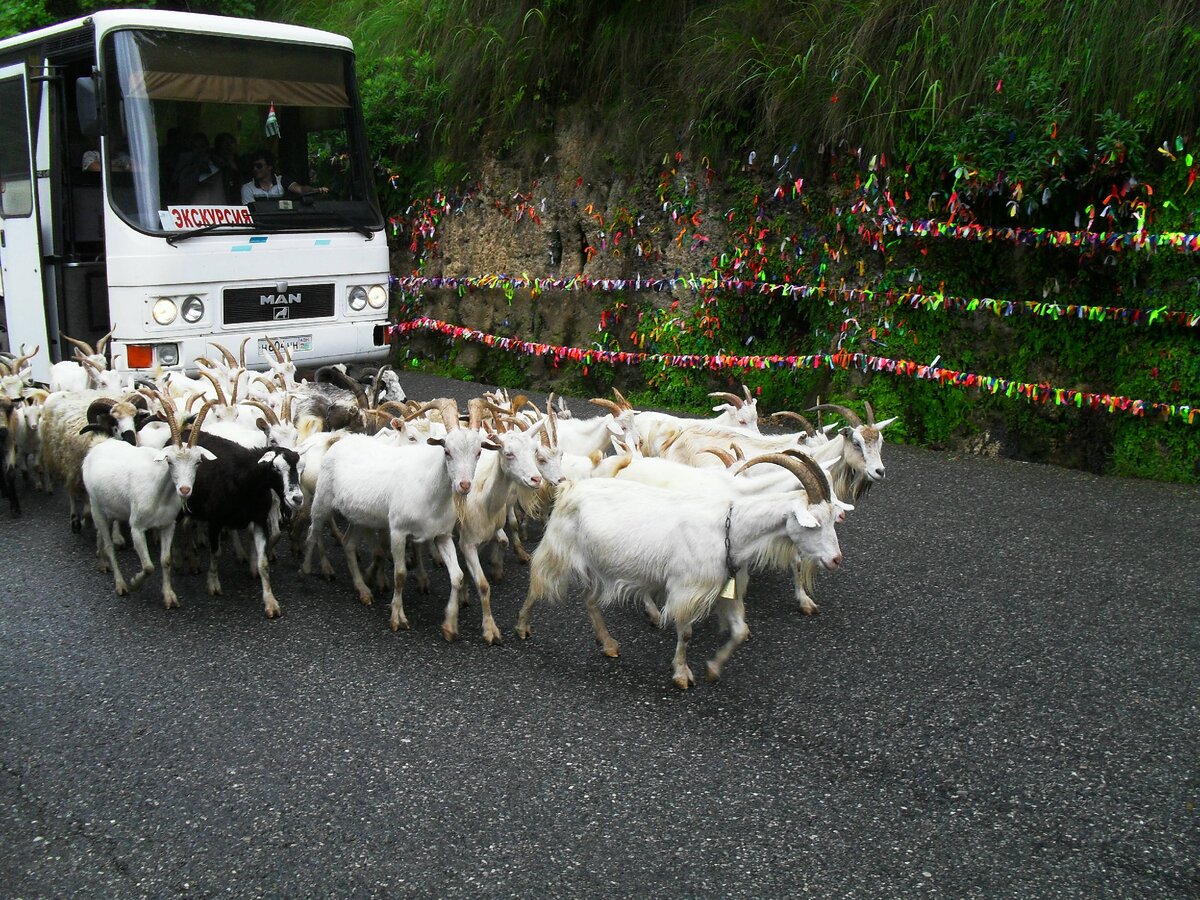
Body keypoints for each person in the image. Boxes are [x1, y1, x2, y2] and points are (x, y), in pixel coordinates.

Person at [240, 149, 327, 204]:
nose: (255, 169)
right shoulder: (247, 188)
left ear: (269, 167)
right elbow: (251, 214)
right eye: (253, 166)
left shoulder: (282, 181)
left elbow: (300, 189)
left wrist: (317, 190)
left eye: (259, 166)